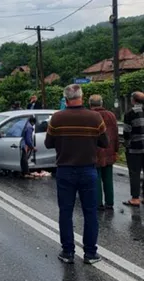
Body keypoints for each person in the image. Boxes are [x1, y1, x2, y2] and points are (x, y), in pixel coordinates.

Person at [45, 84, 108, 265]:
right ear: (82, 97)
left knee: (65, 212)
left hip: (65, 170)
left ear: (66, 100)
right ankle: (90, 253)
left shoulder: (57, 118)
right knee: (90, 212)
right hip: (88, 170)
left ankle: (68, 252)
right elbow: (105, 142)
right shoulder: (95, 117)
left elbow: (49, 143)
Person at [89, 95, 118, 210]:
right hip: (109, 150)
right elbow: (115, 133)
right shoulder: (111, 115)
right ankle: (110, 202)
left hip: (95, 152)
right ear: (101, 103)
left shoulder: (90, 115)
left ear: (90, 103)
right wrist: (115, 149)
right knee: (108, 178)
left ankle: (98, 203)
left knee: (96, 178)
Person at [122, 91, 144, 207]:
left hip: (135, 148)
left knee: (135, 173)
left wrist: (127, 145)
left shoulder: (130, 113)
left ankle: (135, 198)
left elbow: (126, 132)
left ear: (133, 100)